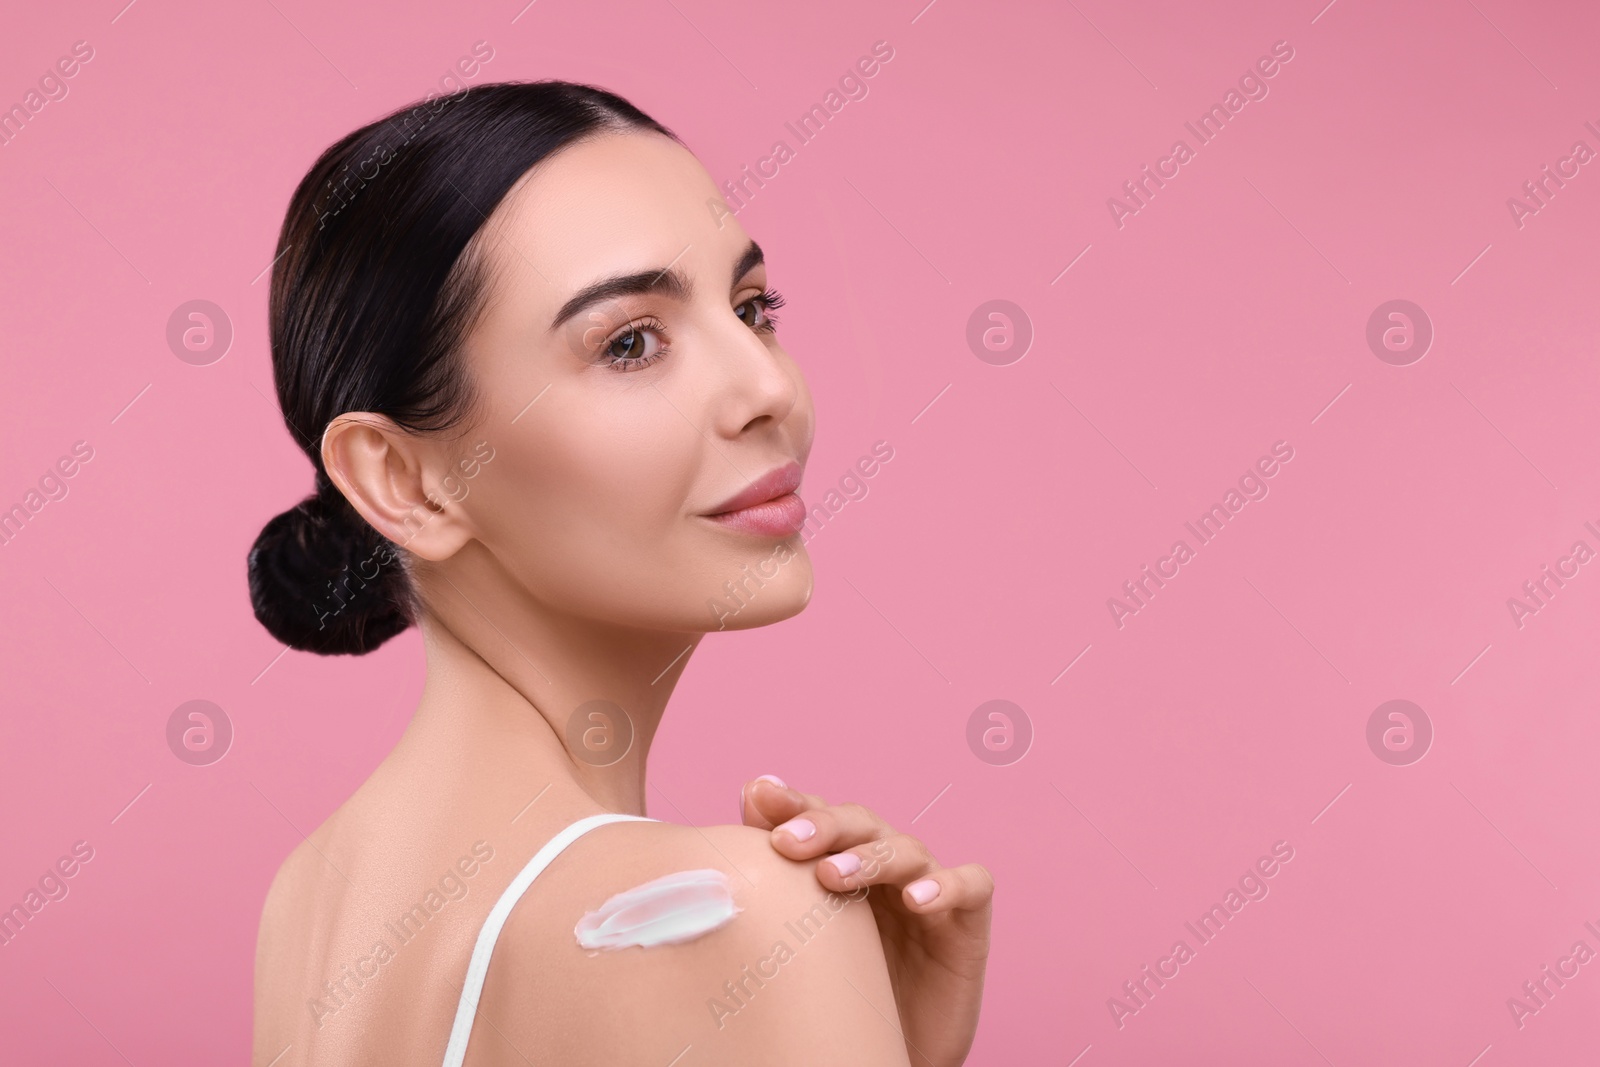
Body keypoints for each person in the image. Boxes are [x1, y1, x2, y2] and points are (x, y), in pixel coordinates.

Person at [247, 80, 992, 1067]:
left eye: (752, 306)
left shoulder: (310, 896)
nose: (768, 387)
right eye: (630, 342)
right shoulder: (736, 914)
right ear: (407, 481)